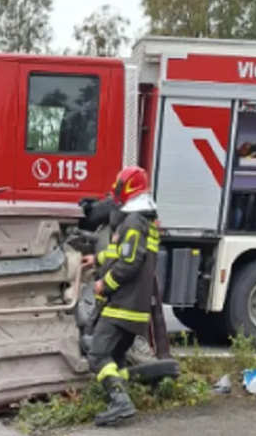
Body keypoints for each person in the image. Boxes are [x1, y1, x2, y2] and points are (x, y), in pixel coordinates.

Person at [81, 165, 160, 427]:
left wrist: (105, 283)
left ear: (125, 188)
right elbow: (121, 254)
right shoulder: (141, 220)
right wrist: (96, 259)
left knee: (97, 355)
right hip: (134, 307)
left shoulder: (134, 221)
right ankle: (120, 399)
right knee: (116, 357)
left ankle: (120, 402)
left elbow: (129, 263)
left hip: (122, 305)